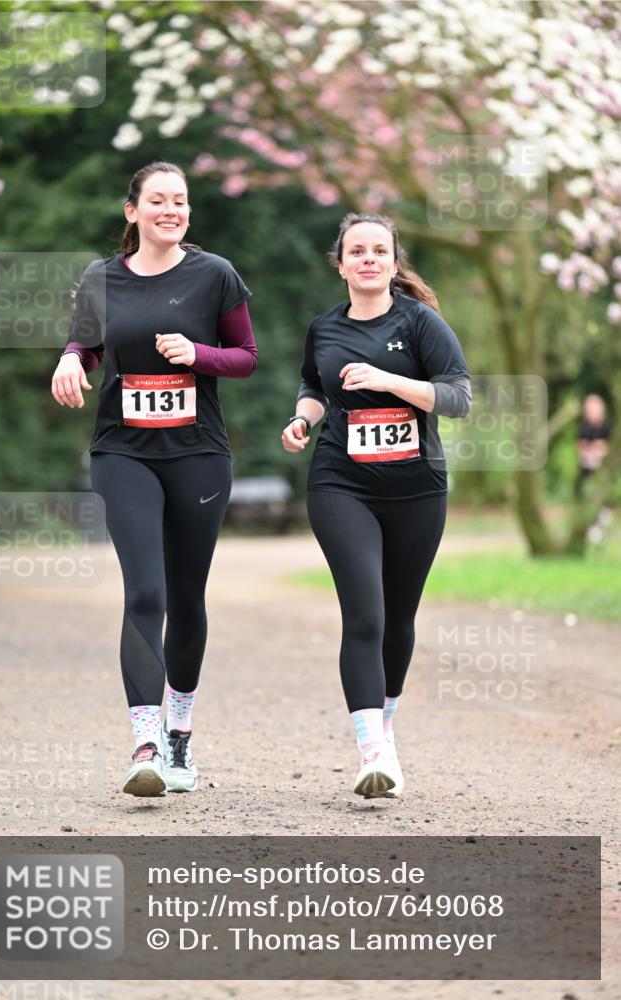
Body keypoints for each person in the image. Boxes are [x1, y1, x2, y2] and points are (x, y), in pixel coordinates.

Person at [51, 161, 257, 797]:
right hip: (124, 451)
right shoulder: (102, 277)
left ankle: (180, 733)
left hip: (198, 454)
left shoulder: (215, 274)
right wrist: (70, 359)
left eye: (181, 201)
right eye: (159, 200)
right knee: (145, 590)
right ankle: (145, 742)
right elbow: (87, 343)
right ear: (132, 211)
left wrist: (198, 355)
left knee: (187, 598)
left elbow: (246, 358)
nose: (171, 210)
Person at [282, 213, 470, 799]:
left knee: (399, 617)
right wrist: (302, 420)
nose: (369, 259)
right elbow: (314, 386)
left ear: (393, 262)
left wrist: (389, 381)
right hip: (342, 483)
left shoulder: (420, 323)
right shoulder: (324, 328)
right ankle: (371, 751)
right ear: (340, 265)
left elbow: (458, 397)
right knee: (365, 613)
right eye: (357, 251)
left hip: (417, 489)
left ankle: (385, 726)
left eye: (379, 251)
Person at [576, 393, 611, 497]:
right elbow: (580, 444)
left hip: (602, 460)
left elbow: (608, 445)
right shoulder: (584, 427)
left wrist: (600, 447)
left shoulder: (606, 427)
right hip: (587, 461)